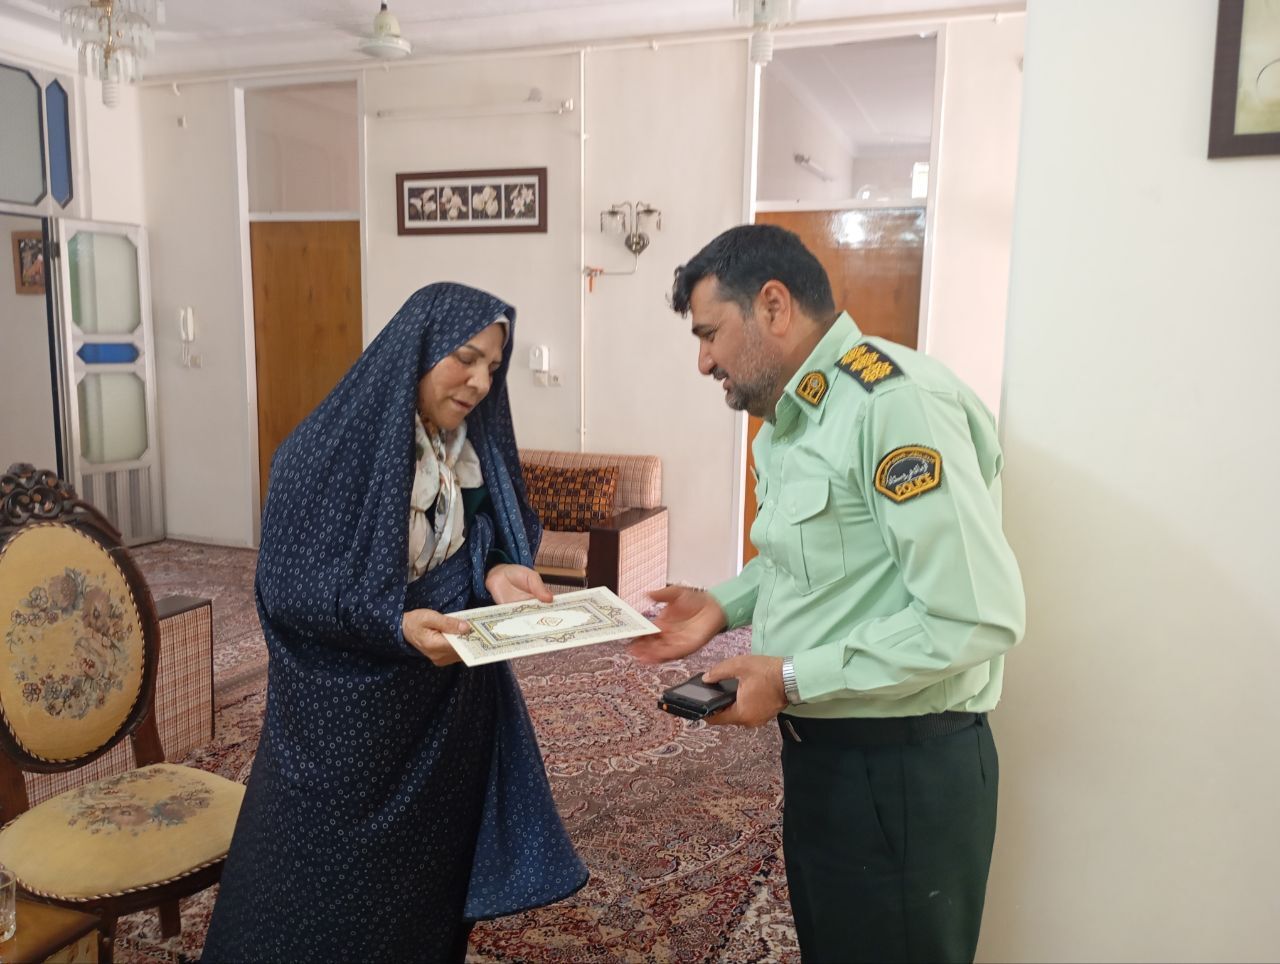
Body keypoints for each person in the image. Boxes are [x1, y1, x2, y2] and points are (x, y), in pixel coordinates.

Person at [630, 225, 1026, 964]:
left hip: (902, 771)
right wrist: (722, 604)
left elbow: (974, 617)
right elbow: (811, 559)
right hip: (826, 757)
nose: (704, 360)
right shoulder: (793, 421)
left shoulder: (893, 405)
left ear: (773, 306)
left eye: (710, 334)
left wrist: (787, 677)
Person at [203, 283, 587, 962]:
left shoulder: (467, 447)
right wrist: (392, 624)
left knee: (426, 878)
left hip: (447, 707)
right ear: (415, 349)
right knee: (320, 886)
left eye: (492, 367)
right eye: (464, 357)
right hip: (350, 724)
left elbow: (485, 531)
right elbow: (287, 587)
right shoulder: (319, 454)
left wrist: (498, 569)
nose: (479, 382)